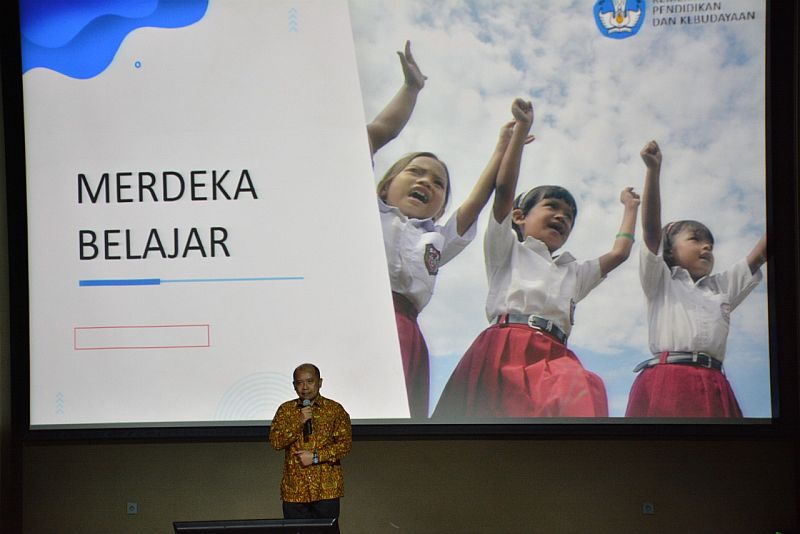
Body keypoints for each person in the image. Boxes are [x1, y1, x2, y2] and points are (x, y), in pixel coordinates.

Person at [433, 98, 640, 418]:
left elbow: (620, 253)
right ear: (519, 216)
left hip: (555, 356)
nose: (562, 217)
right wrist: (520, 134)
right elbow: (502, 192)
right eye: (552, 207)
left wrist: (630, 208)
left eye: (569, 215)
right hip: (505, 347)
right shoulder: (506, 249)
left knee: (583, 389)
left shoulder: (574, 272)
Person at [367, 42, 527, 418]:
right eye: (415, 172)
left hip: (405, 333)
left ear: (440, 205)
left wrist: (503, 146)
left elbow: (477, 202)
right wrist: (411, 89)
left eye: (439, 183)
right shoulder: (366, 212)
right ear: (385, 185)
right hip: (357, 319)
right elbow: (373, 136)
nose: (427, 182)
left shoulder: (436, 238)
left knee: (390, 430)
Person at [625, 141, 767, 417]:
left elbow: (761, 253)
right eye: (696, 239)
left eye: (711, 245)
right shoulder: (661, 282)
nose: (707, 247)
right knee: (666, 454)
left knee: (718, 455)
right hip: (668, 379)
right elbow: (652, 232)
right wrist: (653, 171)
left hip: (714, 382)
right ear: (670, 250)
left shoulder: (721, 287)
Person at [269, 363, 351, 526]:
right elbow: (276, 442)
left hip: (326, 489)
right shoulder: (286, 410)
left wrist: (315, 457)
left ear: (319, 382)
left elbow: (344, 445)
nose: (305, 387)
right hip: (295, 489)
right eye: (299, 383)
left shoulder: (334, 410)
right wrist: (298, 422)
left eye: (310, 381)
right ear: (294, 386)